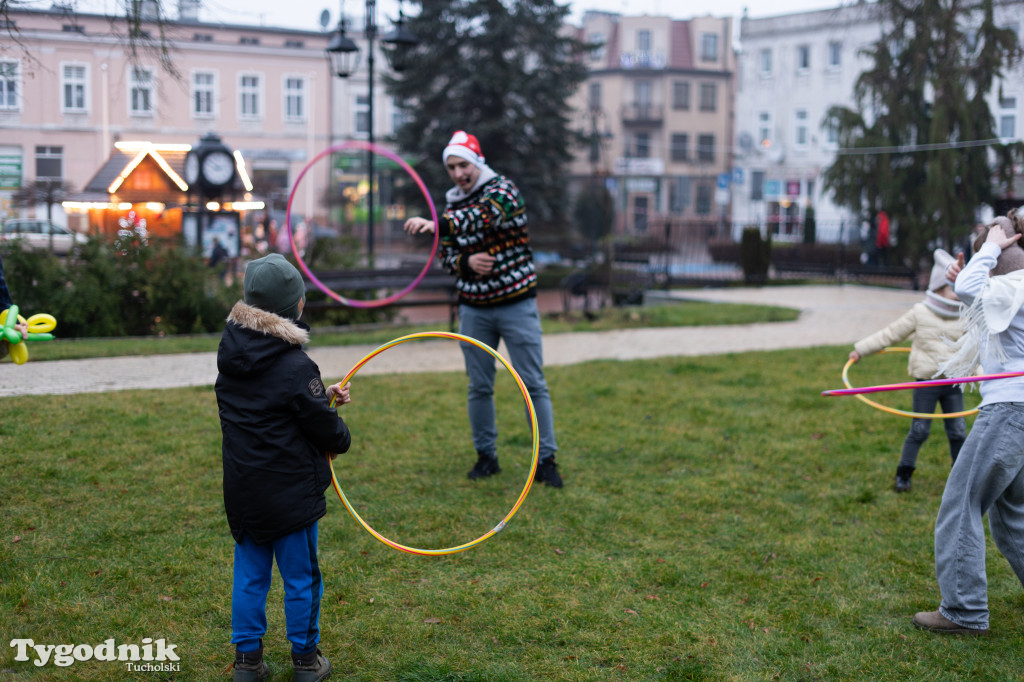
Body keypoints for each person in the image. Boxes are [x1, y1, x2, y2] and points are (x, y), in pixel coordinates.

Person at [215, 253, 352, 681]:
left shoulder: (230, 356)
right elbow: (323, 429)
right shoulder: (296, 365)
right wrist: (336, 426)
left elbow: (274, 408)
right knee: (300, 579)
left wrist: (319, 396)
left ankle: (247, 663)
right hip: (290, 498)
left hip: (245, 492)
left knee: (250, 577)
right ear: (296, 307)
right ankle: (306, 661)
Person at [404, 130, 562, 487]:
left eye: (463, 165)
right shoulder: (452, 205)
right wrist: (466, 261)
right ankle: (486, 457)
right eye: (451, 167)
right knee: (478, 386)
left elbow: (483, 216)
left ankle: (546, 461)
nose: (458, 173)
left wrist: (438, 224)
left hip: (516, 304)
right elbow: (446, 255)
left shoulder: (503, 191)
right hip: (474, 308)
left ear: (477, 162)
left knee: (532, 384)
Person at [912, 210, 1024, 635]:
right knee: (1011, 516)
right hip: (1018, 412)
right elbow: (978, 298)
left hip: (1009, 411)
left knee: (961, 503)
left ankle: (964, 610)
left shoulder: (1013, 283)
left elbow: (974, 289)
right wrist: (975, 269)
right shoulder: (1014, 287)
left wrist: (991, 247)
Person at [848, 248, 967, 492]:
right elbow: (891, 334)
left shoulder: (966, 314)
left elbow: (975, 350)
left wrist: (986, 377)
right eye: (953, 286)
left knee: (958, 432)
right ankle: (903, 475)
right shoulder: (920, 312)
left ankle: (962, 478)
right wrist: (860, 350)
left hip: (953, 383)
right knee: (919, 431)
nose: (959, 292)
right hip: (925, 383)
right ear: (938, 288)